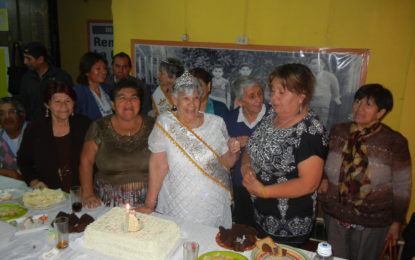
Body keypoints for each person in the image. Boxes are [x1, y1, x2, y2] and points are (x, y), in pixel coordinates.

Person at [318, 84, 412, 260]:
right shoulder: (338, 131)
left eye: (368, 104)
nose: (359, 108)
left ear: (381, 112)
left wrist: (397, 221)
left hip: (373, 221)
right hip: (336, 214)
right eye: (357, 102)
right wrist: (323, 177)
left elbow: (402, 185)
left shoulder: (394, 141)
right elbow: (322, 158)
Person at [138, 71, 241, 228]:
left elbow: (226, 163)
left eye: (195, 98)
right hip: (177, 202)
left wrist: (233, 153)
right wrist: (149, 204)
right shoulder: (165, 123)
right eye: (186, 99)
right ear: (174, 100)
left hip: (213, 202)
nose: (192, 104)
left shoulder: (216, 123)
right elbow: (159, 166)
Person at [241, 63, 328, 246]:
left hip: (288, 225)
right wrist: (246, 167)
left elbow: (309, 183)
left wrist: (264, 191)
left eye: (282, 93)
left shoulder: (310, 131)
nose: (273, 98)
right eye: (272, 91)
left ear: (301, 96)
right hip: (261, 215)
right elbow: (252, 144)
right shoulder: (272, 114)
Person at [80, 78, 155, 209]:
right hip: (108, 202)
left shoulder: (154, 126)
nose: (128, 102)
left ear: (140, 102)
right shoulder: (99, 126)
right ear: (113, 104)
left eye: (134, 98)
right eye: (122, 98)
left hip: (148, 202)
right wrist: (88, 193)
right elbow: (86, 161)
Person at [18, 82, 91, 192]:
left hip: (83, 192)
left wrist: (87, 187)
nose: (63, 106)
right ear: (47, 105)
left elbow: (97, 161)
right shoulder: (35, 128)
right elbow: (24, 161)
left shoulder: (85, 125)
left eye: (68, 101)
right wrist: (34, 181)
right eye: (57, 102)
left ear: (74, 103)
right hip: (49, 194)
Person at [225, 76, 270, 227]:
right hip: (241, 184)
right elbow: (222, 153)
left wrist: (254, 142)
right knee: (244, 228)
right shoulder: (229, 120)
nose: (259, 99)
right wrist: (232, 143)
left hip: (269, 185)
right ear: (239, 102)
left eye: (260, 93)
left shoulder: (274, 116)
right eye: (252, 96)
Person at [18, 42, 73, 120]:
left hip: (58, 123)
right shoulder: (27, 77)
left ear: (40, 59)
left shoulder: (61, 76)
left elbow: (70, 102)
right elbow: (23, 102)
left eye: (29, 59)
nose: (25, 62)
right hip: (33, 124)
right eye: (24, 58)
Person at [73, 52, 112, 120]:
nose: (104, 72)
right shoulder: (78, 92)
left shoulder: (107, 89)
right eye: (98, 68)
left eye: (105, 68)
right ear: (87, 71)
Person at [308, 57, 341, 127]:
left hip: (324, 107)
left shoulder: (330, 76)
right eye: (313, 63)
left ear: (323, 65)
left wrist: (334, 100)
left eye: (318, 64)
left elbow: (336, 92)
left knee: (321, 127)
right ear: (309, 65)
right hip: (309, 107)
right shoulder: (307, 76)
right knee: (308, 127)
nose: (315, 66)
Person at [0, 98, 27, 180]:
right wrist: (8, 173)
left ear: (21, 114)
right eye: (1, 113)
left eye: (12, 112)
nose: (7, 117)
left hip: (41, 188)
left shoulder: (34, 133)